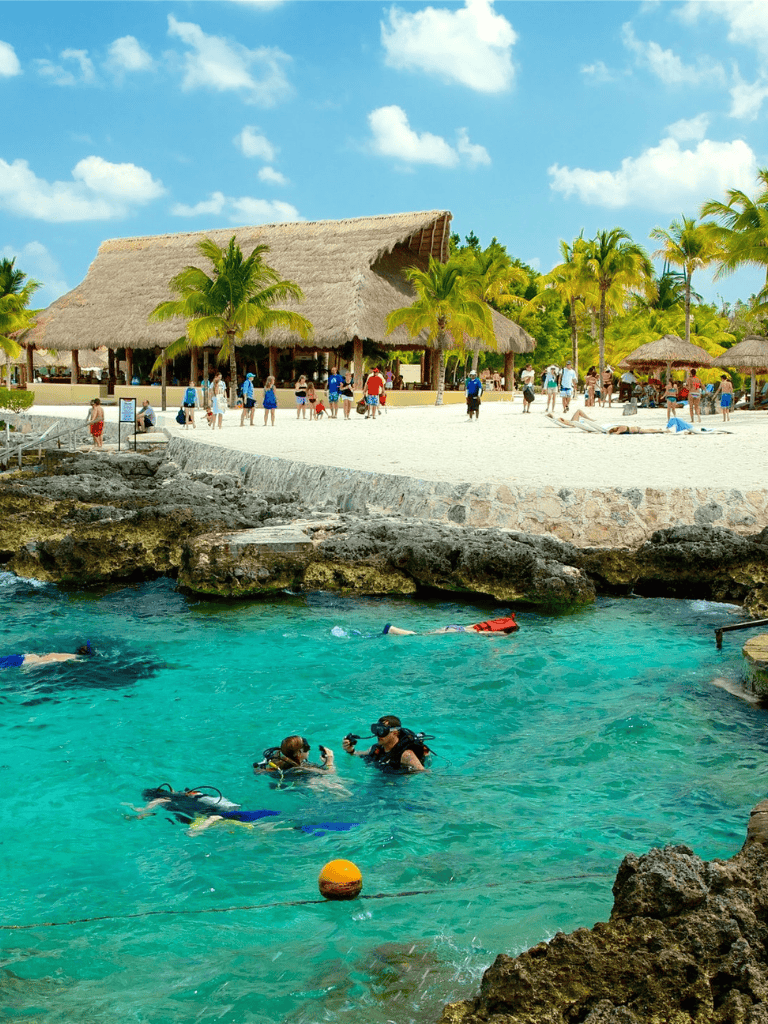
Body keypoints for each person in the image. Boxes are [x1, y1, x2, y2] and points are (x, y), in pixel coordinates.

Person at [342, 715, 428, 773]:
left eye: (383, 731)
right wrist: (350, 750)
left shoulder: (406, 755)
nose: (379, 735)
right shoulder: (377, 748)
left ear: (395, 733)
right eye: (377, 730)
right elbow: (358, 754)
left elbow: (423, 772)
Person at [254, 735, 336, 776]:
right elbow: (330, 773)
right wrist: (329, 761)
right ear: (298, 753)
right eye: (307, 748)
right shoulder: (300, 769)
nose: (309, 750)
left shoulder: (278, 761)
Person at [382, 614, 518, 636]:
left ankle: (393, 631)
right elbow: (483, 634)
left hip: (456, 627)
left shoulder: (485, 624)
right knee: (420, 636)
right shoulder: (500, 632)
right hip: (457, 632)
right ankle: (392, 630)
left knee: (425, 634)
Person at [0, 643, 93, 669]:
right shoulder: (70, 658)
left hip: (25, 656)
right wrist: (29, 668)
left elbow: (46, 657)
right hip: (25, 662)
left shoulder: (65, 654)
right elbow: (47, 661)